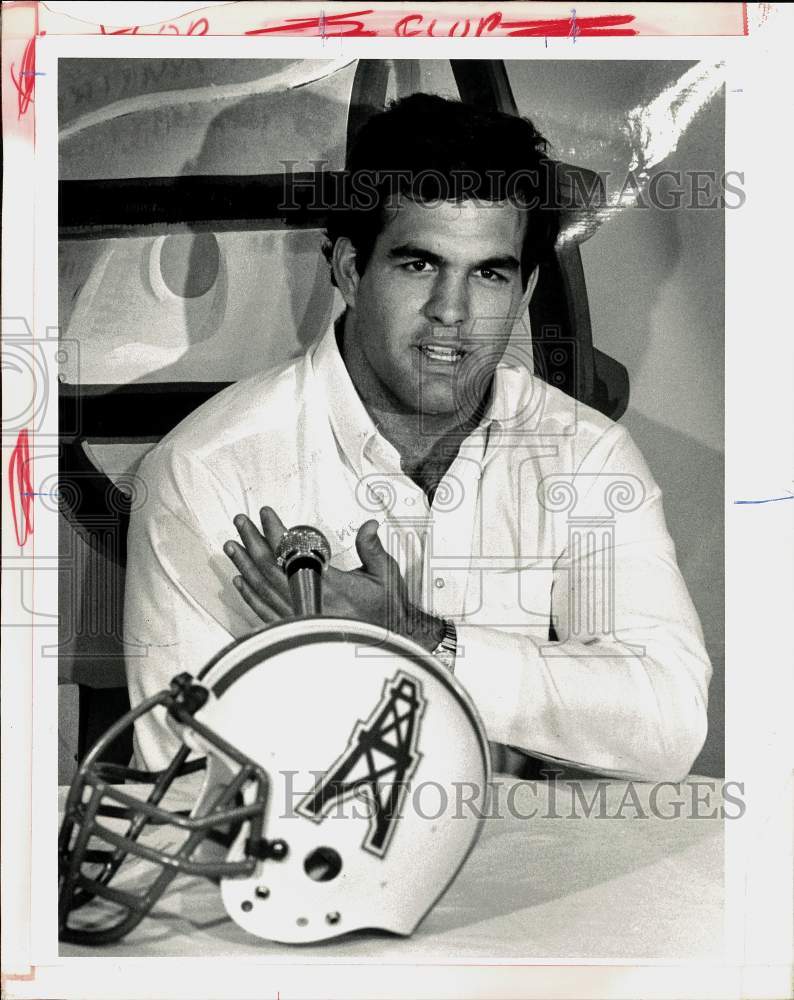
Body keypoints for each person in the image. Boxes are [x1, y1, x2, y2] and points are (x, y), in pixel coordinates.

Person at [124, 93, 711, 779]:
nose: (452, 314)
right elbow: (183, 792)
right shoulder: (205, 472)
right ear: (348, 270)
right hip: (307, 880)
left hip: (524, 870)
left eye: (489, 274)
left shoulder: (584, 452)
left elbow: (669, 724)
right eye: (420, 265)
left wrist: (415, 637)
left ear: (522, 296)